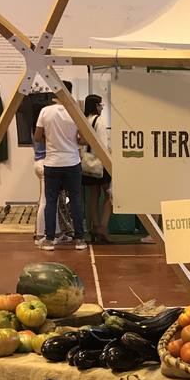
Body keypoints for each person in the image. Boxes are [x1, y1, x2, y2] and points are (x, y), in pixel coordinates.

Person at [34, 80, 86, 251]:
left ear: (54, 92)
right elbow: (83, 139)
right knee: (76, 201)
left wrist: (51, 141)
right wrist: (73, 142)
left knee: (51, 202)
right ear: (69, 92)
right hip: (72, 162)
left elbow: (37, 137)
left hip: (52, 162)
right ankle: (79, 239)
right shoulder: (75, 111)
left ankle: (49, 240)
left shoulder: (45, 111)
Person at [81, 94, 112, 244]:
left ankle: (95, 226)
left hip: (88, 162)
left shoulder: (84, 120)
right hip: (101, 162)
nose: (102, 107)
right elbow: (102, 144)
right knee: (110, 195)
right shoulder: (99, 121)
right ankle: (103, 228)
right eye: (100, 105)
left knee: (93, 196)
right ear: (96, 106)